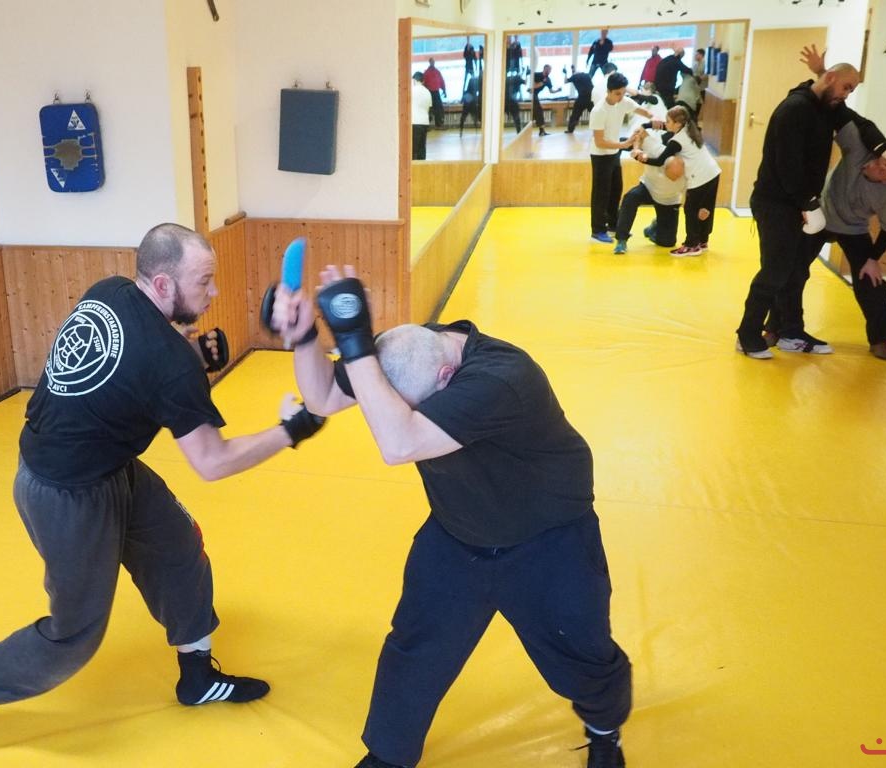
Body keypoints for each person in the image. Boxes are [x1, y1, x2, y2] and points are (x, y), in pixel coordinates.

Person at [0, 223, 328, 762]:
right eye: (203, 282)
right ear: (162, 285)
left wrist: (195, 354)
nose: (214, 293)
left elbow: (128, 364)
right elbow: (212, 461)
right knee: (75, 634)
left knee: (179, 548)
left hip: (106, 464)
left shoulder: (110, 291)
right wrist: (292, 430)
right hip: (63, 494)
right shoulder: (170, 364)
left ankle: (197, 676)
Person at [266, 269, 633, 768]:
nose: (392, 413)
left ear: (446, 379)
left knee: (582, 655)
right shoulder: (408, 352)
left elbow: (400, 443)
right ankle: (389, 755)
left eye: (410, 407)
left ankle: (604, 731)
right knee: (415, 650)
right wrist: (307, 335)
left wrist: (352, 339)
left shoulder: (503, 379)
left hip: (548, 540)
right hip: (457, 533)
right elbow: (324, 398)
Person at [732, 50, 886, 359]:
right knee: (779, 271)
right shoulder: (796, 109)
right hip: (785, 204)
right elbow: (787, 164)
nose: (847, 95)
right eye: (846, 87)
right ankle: (754, 332)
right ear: (831, 79)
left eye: (852, 90)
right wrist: (807, 204)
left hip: (812, 211)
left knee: (794, 272)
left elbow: (860, 121)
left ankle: (792, 332)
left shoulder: (826, 107)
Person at [634, 104, 723, 255]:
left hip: (700, 178)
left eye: (668, 121)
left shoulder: (676, 141)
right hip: (713, 172)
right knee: (704, 209)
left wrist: (640, 157)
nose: (665, 123)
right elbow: (666, 127)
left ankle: (691, 245)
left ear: (677, 123)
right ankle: (703, 241)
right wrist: (647, 125)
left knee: (691, 209)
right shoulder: (689, 128)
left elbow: (660, 161)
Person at [588, 73, 654, 244]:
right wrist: (623, 145)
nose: (621, 96)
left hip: (613, 152)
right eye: (617, 93)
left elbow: (643, 111)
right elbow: (600, 142)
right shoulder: (599, 111)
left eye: (623, 93)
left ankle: (613, 225)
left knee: (615, 189)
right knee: (601, 194)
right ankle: (597, 230)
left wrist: (654, 118)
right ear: (609, 91)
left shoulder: (623, 101)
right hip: (600, 155)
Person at [613, 126, 687, 254]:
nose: (674, 179)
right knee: (630, 197)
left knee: (667, 242)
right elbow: (640, 132)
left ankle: (655, 226)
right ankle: (621, 240)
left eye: (677, 176)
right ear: (665, 167)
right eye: (671, 175)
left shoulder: (689, 170)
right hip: (648, 188)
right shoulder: (656, 150)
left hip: (669, 200)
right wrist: (636, 148)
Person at [674, 50, 707, 119]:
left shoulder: (705, 64)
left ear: (701, 55)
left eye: (697, 54)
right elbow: (692, 75)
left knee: (698, 104)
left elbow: (706, 75)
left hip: (701, 88)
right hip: (693, 88)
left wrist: (698, 79)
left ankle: (695, 119)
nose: (695, 56)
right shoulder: (695, 65)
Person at [563, 66, 594, 135]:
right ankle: (600, 128)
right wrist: (573, 70)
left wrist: (565, 73)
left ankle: (570, 130)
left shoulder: (574, 77)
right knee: (594, 114)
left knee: (575, 115)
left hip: (581, 98)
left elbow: (565, 81)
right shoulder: (587, 75)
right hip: (590, 98)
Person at [532, 64, 561, 137]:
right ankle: (541, 131)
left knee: (537, 112)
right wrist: (542, 82)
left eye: (550, 70)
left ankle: (541, 131)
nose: (549, 71)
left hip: (535, 95)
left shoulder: (548, 80)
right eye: (547, 70)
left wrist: (558, 90)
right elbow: (532, 87)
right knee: (538, 111)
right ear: (544, 69)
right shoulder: (536, 75)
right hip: (531, 94)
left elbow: (551, 91)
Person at [411, 72, 432, 160]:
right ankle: (422, 165)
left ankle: (413, 167)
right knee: (422, 148)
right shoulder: (427, 92)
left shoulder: (411, 91)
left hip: (414, 122)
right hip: (424, 122)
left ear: (414, 80)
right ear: (423, 81)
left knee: (413, 149)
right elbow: (428, 109)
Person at [422, 59, 446, 129]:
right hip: (429, 93)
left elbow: (441, 81)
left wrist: (444, 90)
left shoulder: (437, 72)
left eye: (433, 62)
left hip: (436, 92)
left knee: (439, 109)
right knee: (428, 109)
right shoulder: (426, 72)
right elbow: (423, 83)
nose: (432, 63)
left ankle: (439, 125)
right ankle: (427, 126)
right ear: (429, 62)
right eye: (431, 62)